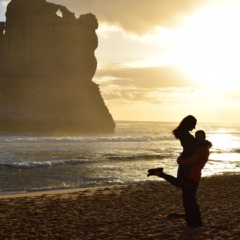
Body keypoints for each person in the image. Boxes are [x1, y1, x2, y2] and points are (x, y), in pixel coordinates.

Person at [148, 115, 197, 187]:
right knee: (179, 183)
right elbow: (192, 148)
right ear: (189, 124)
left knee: (181, 182)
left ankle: (160, 173)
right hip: (186, 160)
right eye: (194, 125)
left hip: (186, 159)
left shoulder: (184, 134)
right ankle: (160, 173)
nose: (194, 127)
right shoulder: (186, 135)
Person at [177, 130, 211, 228]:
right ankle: (192, 222)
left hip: (193, 176)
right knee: (188, 200)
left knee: (190, 201)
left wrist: (180, 161)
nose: (198, 138)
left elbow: (193, 160)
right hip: (190, 176)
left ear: (204, 137)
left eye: (200, 136)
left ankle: (196, 223)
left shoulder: (203, 149)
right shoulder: (199, 148)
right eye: (197, 136)